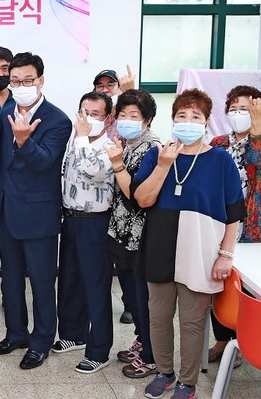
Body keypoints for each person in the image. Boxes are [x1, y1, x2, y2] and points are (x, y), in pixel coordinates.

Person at [133, 88, 246, 399]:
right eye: (181, 115)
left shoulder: (220, 159)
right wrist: (163, 166)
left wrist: (226, 254)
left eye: (195, 116)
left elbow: (234, 212)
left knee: (192, 322)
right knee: (158, 318)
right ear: (173, 121)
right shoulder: (157, 154)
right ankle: (164, 373)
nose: (188, 121)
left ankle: (187, 382)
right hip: (160, 246)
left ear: (206, 122)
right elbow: (142, 199)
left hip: (200, 249)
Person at [0, 52, 71, 370]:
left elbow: (45, 162)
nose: (21, 86)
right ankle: (16, 334)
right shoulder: (5, 114)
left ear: (40, 81)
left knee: (41, 284)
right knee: (10, 281)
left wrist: (24, 141)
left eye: (28, 81)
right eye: (15, 81)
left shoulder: (58, 120)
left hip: (39, 215)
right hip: (7, 211)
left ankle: (41, 342)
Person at [207, 85, 261, 366]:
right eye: (233, 109)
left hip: (250, 228)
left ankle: (243, 343)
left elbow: (259, 159)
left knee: (245, 290)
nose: (238, 114)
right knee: (218, 283)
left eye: (245, 109)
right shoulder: (218, 143)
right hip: (218, 223)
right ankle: (222, 341)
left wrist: (257, 129)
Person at [56, 91, 115, 374]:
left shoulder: (110, 147)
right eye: (84, 113)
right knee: (70, 280)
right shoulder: (75, 140)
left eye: (95, 114)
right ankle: (73, 334)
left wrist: (81, 137)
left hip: (95, 222)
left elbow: (93, 172)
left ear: (108, 118)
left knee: (96, 286)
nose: (88, 119)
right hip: (70, 219)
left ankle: (99, 350)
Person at [103, 89, 160, 379]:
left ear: (147, 120)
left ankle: (151, 356)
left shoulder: (153, 148)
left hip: (141, 236)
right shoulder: (127, 144)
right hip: (122, 233)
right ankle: (141, 340)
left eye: (134, 115)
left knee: (142, 298)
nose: (126, 120)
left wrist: (116, 164)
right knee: (131, 294)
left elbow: (137, 196)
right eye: (122, 114)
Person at [93, 66, 137, 325]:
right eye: (100, 85)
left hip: (124, 199)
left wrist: (132, 94)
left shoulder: (126, 121)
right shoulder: (93, 118)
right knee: (100, 259)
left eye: (110, 85)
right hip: (98, 200)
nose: (105, 89)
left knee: (124, 259)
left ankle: (129, 304)